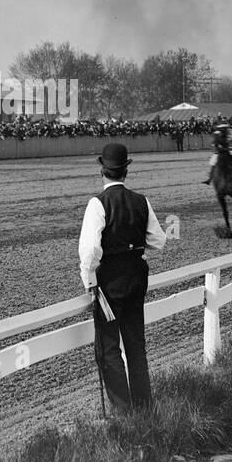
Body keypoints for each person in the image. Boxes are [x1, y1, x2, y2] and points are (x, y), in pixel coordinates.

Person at [79, 142, 168, 414]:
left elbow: (91, 249)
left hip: (109, 283)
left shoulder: (98, 203)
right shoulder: (141, 201)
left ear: (102, 172)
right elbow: (159, 240)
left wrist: (89, 280)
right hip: (137, 279)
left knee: (108, 349)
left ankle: (124, 412)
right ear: (125, 172)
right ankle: (144, 407)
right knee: (135, 345)